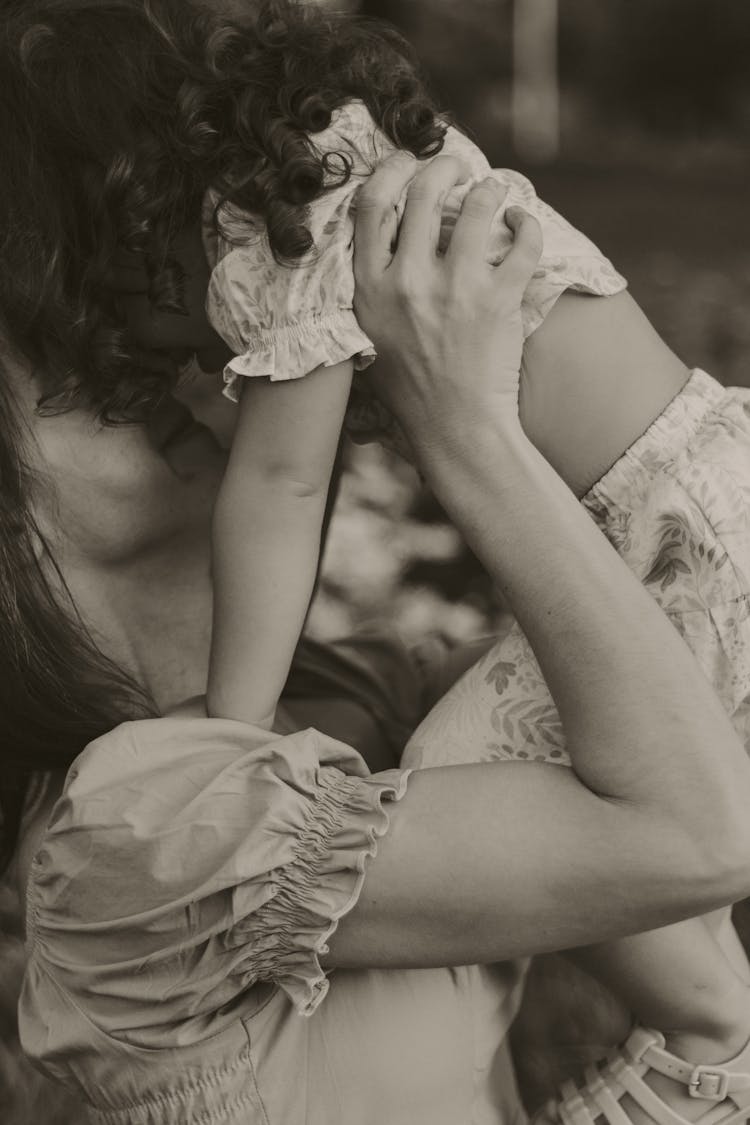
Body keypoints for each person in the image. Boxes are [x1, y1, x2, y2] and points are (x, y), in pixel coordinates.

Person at [2, 2, 750, 1121]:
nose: (148, 372)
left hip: (679, 543)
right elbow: (690, 830)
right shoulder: (131, 840)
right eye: (66, 368)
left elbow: (282, 484)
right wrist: (464, 424)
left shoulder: (302, 233)